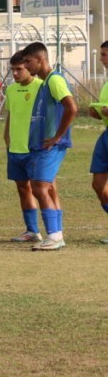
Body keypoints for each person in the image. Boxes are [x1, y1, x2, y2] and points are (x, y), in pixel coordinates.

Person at [21, 42, 77, 251]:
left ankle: (54, 236)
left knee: (39, 187)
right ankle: (56, 234)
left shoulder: (55, 80)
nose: (26, 66)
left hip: (52, 145)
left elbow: (71, 107)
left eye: (28, 61)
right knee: (47, 187)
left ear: (40, 60)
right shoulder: (45, 83)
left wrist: (57, 137)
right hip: (42, 145)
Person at [3, 52, 43, 243]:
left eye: (19, 69)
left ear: (29, 67)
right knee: (22, 189)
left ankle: (54, 231)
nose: (15, 74)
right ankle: (32, 230)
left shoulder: (41, 87)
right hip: (15, 148)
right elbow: (11, 115)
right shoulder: (11, 90)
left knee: (44, 189)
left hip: (35, 148)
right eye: (13, 70)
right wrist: (6, 135)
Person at [90, 42, 108, 244]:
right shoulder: (106, 83)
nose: (101, 58)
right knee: (98, 186)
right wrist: (97, 113)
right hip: (106, 136)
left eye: (104, 54)